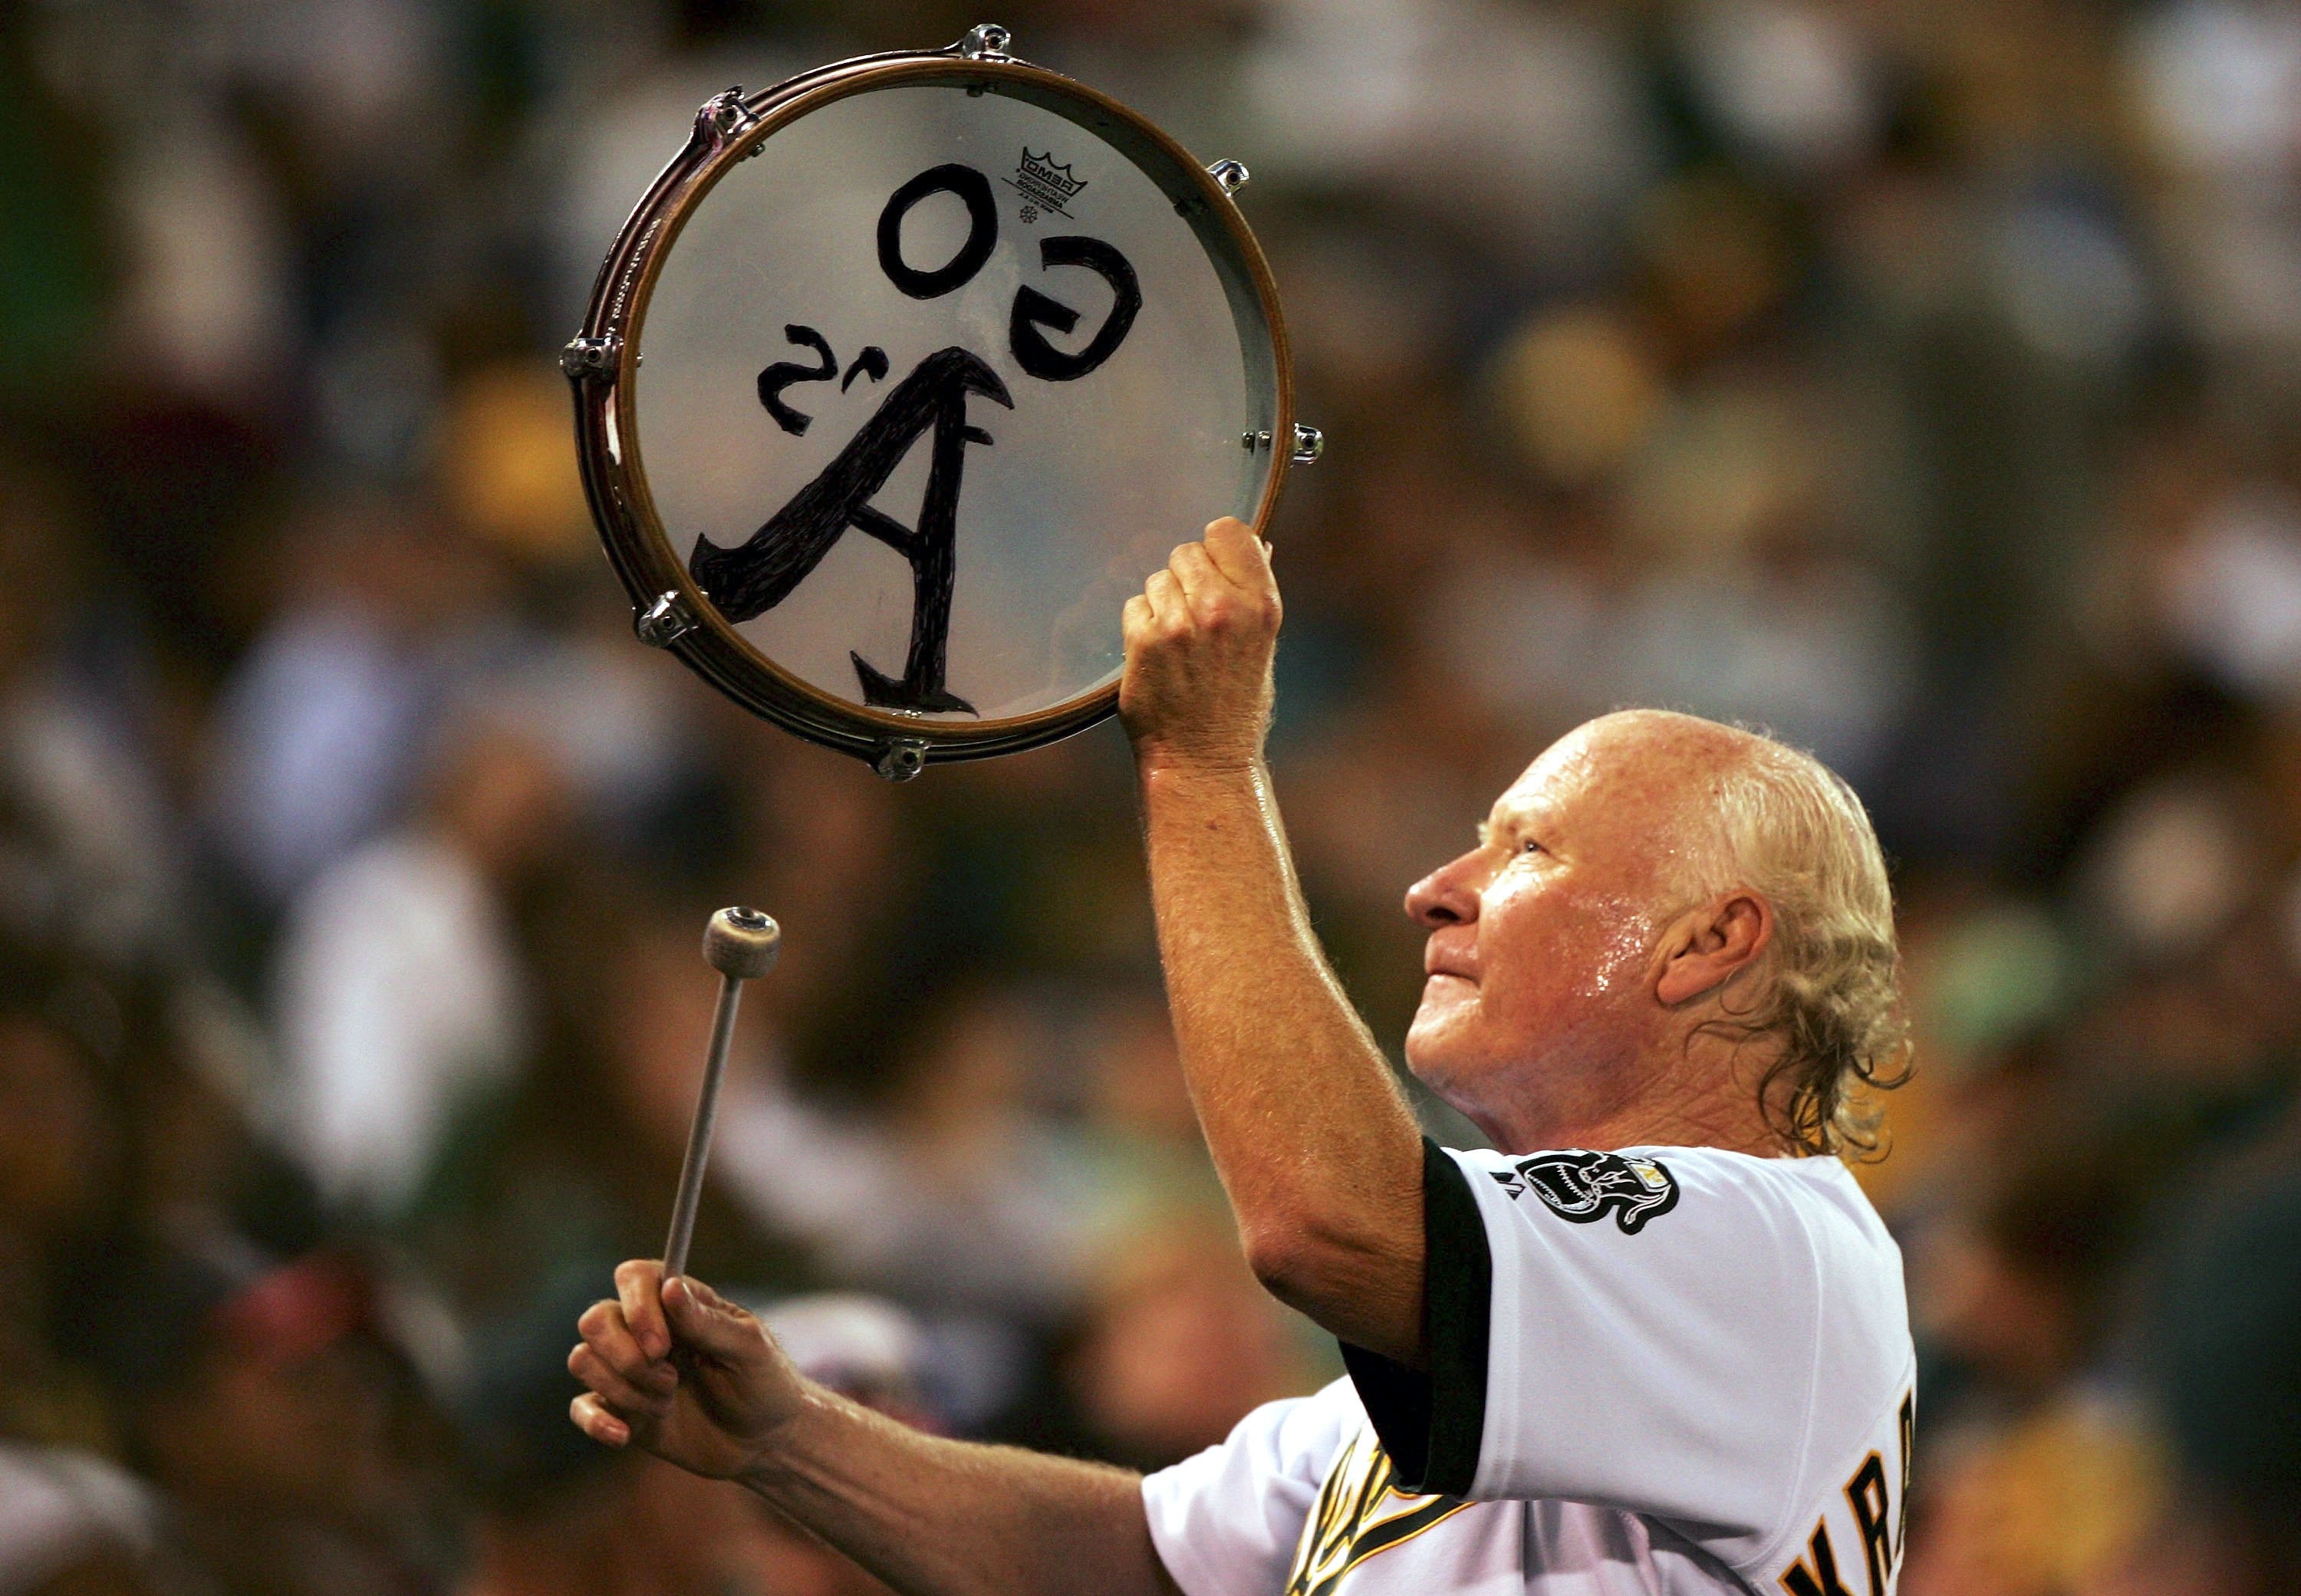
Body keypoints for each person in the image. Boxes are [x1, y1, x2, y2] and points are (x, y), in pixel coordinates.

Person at [567, 517, 1918, 1596]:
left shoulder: (1774, 1252)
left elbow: (1326, 1228)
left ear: (1706, 945)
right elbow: (1142, 1561)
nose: (1436, 888)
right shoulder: (1549, 1337)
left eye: (1528, 851)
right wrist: (787, 1438)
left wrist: (1204, 766)